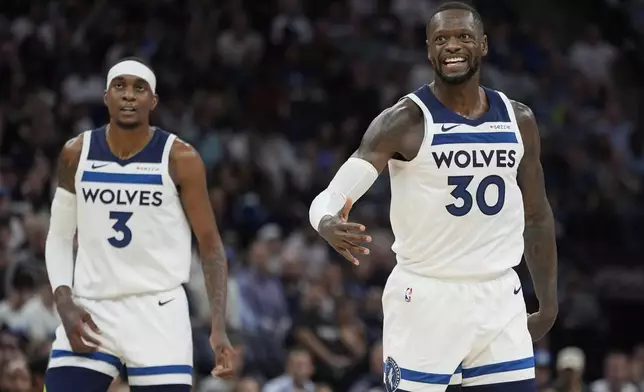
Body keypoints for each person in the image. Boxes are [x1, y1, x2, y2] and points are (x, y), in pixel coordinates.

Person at [308, 2, 558, 392]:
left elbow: (537, 216)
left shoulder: (518, 120)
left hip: (499, 296)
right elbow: (335, 194)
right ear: (428, 50)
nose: (452, 46)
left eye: (463, 37)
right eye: (441, 39)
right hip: (426, 297)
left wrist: (548, 300)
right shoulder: (405, 121)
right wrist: (325, 221)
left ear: (484, 45)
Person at [44, 57, 235, 392]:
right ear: (106, 97)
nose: (129, 95)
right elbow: (59, 236)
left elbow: (210, 244)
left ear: (153, 100)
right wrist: (64, 303)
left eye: (139, 88)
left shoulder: (181, 158)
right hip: (93, 306)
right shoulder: (76, 153)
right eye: (120, 86)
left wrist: (218, 326)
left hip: (158, 311)